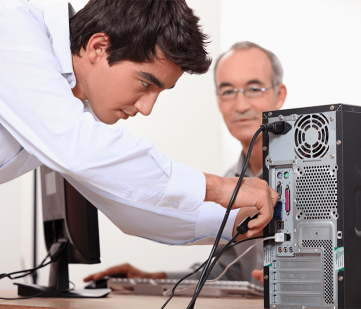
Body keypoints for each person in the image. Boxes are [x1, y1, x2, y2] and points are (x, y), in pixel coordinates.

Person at [84, 41, 287, 285]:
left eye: (254, 89)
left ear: (280, 95)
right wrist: (152, 279)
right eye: (228, 91)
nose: (241, 105)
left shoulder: (315, 175)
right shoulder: (235, 179)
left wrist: (298, 281)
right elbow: (226, 272)